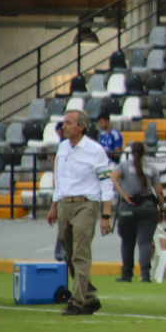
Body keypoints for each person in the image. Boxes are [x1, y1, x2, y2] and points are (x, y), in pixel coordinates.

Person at [49, 110, 114, 316]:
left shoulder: (95, 150)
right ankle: (90, 297)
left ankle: (77, 302)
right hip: (64, 204)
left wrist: (106, 214)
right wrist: (54, 204)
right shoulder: (62, 148)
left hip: (86, 204)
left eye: (69, 123)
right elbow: (59, 179)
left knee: (80, 253)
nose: (64, 126)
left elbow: (106, 181)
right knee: (70, 254)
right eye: (64, 123)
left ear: (81, 127)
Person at [111, 142, 164, 283]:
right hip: (148, 207)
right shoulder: (151, 168)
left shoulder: (123, 166)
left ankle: (127, 274)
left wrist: (122, 194)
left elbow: (113, 178)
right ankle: (145, 275)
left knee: (127, 242)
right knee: (145, 242)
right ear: (144, 152)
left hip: (128, 207)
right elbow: (159, 191)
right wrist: (162, 208)